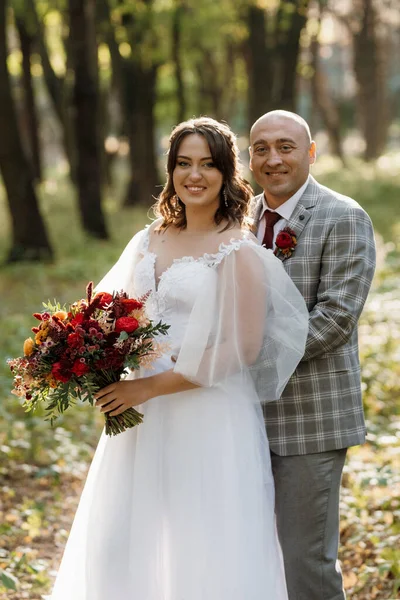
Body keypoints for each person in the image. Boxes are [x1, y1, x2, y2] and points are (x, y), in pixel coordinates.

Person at [50, 117, 309, 600]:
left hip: (207, 414)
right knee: (125, 539)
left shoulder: (238, 249)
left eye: (208, 165)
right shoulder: (150, 238)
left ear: (227, 174)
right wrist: (87, 360)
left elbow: (243, 347)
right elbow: (110, 316)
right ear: (170, 171)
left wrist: (146, 387)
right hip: (140, 416)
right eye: (184, 163)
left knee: (203, 540)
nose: (195, 175)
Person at [249, 109, 376, 600]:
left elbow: (334, 320)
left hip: (311, 419)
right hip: (240, 418)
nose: (274, 159)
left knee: (306, 563)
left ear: (311, 153)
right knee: (255, 553)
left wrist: (239, 360)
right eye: (262, 148)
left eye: (286, 146)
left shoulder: (343, 217)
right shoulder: (240, 219)